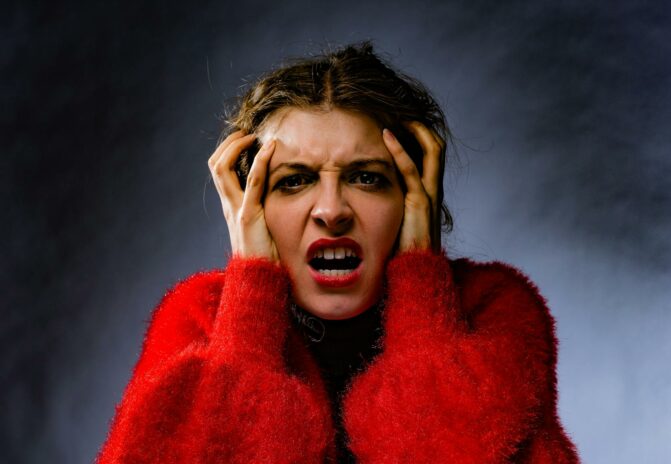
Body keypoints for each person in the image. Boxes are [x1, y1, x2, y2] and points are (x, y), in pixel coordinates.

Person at [96, 42, 579, 463]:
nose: (331, 210)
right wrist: (249, 311)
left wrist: (423, 294)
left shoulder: (492, 308)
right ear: (251, 204)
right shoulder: (199, 319)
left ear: (414, 195)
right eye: (294, 181)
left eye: (367, 177)